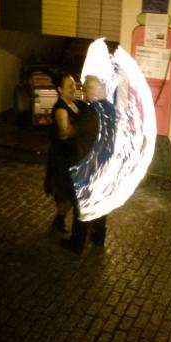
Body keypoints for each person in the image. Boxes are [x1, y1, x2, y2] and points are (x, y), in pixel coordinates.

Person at [59, 75, 107, 253]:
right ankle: (98, 236)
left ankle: (77, 243)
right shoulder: (107, 109)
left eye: (86, 89)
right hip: (102, 163)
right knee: (100, 202)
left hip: (88, 164)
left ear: (93, 91)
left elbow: (69, 133)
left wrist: (67, 124)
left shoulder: (91, 113)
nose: (82, 92)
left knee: (83, 204)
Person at [44, 72, 82, 232]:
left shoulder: (74, 104)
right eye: (69, 86)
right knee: (68, 194)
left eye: (74, 85)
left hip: (72, 156)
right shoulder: (61, 109)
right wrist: (84, 129)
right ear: (60, 89)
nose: (74, 88)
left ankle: (59, 220)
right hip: (62, 159)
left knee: (70, 194)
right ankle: (59, 220)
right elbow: (64, 133)